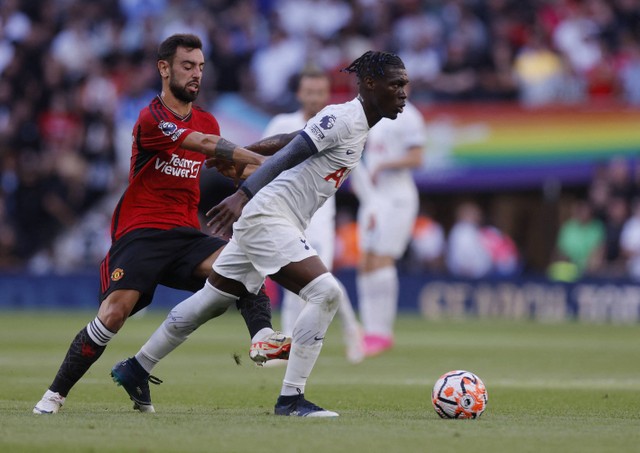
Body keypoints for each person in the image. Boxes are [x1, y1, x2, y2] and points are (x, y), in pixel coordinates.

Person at [112, 50, 409, 417]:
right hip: (268, 215)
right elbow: (291, 154)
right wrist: (242, 194)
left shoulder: (358, 124)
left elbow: (290, 138)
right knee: (326, 293)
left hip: (272, 216)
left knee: (211, 301)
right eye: (396, 84)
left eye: (405, 84)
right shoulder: (345, 118)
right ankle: (291, 399)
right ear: (369, 84)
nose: (403, 92)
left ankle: (136, 367)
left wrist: (244, 153)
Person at [33, 34, 293, 415]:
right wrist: (266, 158)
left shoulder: (207, 118)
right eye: (188, 66)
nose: (196, 75)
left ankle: (263, 339)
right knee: (113, 316)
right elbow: (207, 146)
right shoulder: (152, 118)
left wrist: (294, 173)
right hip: (140, 232)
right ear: (164, 68)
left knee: (244, 261)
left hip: (185, 234)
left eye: (201, 67)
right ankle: (55, 394)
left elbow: (234, 165)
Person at [261, 68, 363, 364]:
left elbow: (360, 170)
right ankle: (288, 348)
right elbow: (262, 162)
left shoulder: (338, 125)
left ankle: (350, 329)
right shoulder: (282, 124)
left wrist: (371, 205)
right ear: (299, 93)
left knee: (321, 283)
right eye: (310, 92)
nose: (315, 98)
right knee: (296, 286)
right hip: (286, 214)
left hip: (320, 217)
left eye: (320, 92)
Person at [352, 94, 425, 357]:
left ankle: (382, 331)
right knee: (366, 260)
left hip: (397, 198)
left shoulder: (410, 115)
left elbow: (417, 158)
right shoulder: (374, 112)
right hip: (374, 198)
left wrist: (383, 164)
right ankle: (369, 328)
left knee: (383, 258)